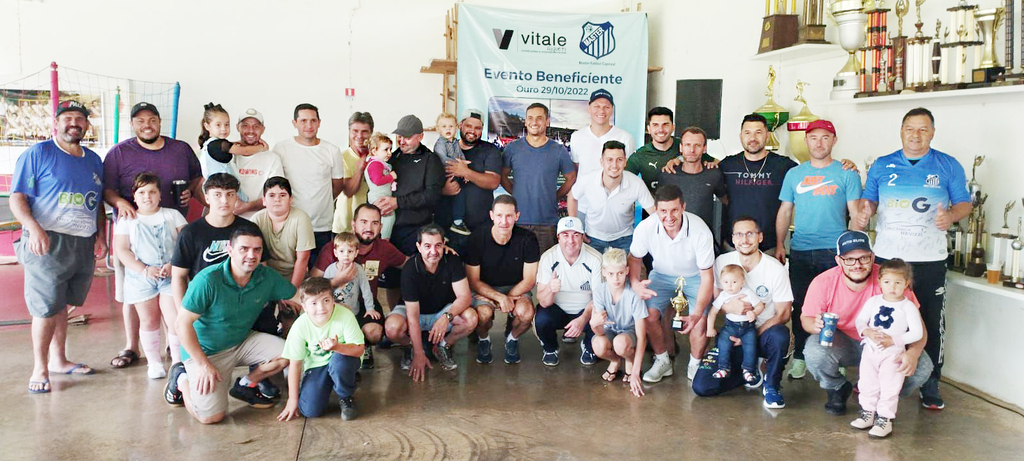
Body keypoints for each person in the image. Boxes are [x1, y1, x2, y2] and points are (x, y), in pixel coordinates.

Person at [856, 107, 972, 410]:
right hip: (887, 258)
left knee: (930, 321)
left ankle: (930, 383)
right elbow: (869, 199)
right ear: (901, 131)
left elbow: (963, 204)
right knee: (881, 317)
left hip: (928, 259)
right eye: (910, 128)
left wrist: (951, 216)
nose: (916, 135)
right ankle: (870, 377)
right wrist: (866, 209)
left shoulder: (947, 165)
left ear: (932, 132)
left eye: (922, 129)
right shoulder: (882, 165)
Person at [13, 100, 106, 393]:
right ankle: (40, 369)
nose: (74, 123)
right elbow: (18, 198)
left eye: (80, 118)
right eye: (68, 118)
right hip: (47, 241)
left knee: (63, 303)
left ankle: (59, 360)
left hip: (82, 242)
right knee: (44, 307)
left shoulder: (93, 159)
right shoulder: (39, 153)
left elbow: (98, 202)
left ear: (87, 125)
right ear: (56, 123)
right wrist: (33, 229)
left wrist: (101, 236)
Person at [103, 101, 202, 369]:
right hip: (135, 235)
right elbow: (107, 188)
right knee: (133, 296)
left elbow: (196, 178)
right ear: (133, 124)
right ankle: (131, 345)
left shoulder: (180, 149)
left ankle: (175, 347)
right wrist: (119, 203)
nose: (147, 125)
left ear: (160, 122)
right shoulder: (119, 153)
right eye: (140, 121)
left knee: (174, 301)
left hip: (171, 236)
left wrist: (189, 191)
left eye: (152, 120)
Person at [165, 228, 297, 424]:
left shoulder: (266, 276)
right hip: (206, 351)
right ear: (230, 250)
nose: (251, 255)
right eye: (244, 249)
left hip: (242, 341)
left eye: (257, 250)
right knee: (210, 417)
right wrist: (202, 364)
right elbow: (181, 324)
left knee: (291, 352)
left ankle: (246, 383)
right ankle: (181, 379)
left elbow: (300, 296)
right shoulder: (208, 280)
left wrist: (335, 304)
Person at [800, 230, 934, 416]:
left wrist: (913, 353)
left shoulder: (889, 279)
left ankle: (881, 398)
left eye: (863, 258)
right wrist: (813, 325)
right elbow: (806, 318)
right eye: (850, 259)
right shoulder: (823, 282)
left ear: (872, 257)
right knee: (815, 352)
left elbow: (919, 328)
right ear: (839, 261)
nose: (857, 265)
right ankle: (837, 388)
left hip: (887, 345)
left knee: (922, 368)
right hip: (843, 341)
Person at [775, 119, 862, 380]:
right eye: (813, 138)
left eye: (825, 137)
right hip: (801, 249)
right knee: (803, 307)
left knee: (840, 306)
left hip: (835, 251)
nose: (819, 143)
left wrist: (855, 252)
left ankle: (839, 357)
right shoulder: (794, 174)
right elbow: (785, 211)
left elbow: (855, 213)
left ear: (834, 141)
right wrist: (780, 244)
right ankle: (801, 355)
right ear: (807, 141)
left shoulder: (847, 173)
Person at [691, 217, 793, 409]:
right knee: (702, 386)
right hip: (732, 332)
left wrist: (751, 335)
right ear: (733, 238)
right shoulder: (721, 262)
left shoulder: (776, 269)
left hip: (762, 333)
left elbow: (783, 314)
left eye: (750, 234)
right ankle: (746, 371)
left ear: (760, 237)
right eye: (739, 234)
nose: (744, 239)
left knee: (781, 335)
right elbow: (717, 300)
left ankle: (771, 385)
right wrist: (730, 309)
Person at [628, 184, 715, 384]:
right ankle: (662, 360)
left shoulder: (701, 230)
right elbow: (634, 258)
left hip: (695, 277)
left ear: (683, 207)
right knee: (648, 316)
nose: (669, 217)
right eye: (663, 211)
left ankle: (695, 363)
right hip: (661, 275)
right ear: (656, 210)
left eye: (674, 210)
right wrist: (635, 284)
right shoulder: (646, 227)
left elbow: (707, 277)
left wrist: (696, 313)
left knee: (700, 321)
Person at [111, 172, 187, 379]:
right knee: (148, 320)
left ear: (160, 195)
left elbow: (186, 243)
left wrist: (174, 264)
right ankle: (153, 363)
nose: (147, 196)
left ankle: (179, 362)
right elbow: (122, 250)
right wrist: (144, 269)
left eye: (152, 192)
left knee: (174, 319)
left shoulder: (172, 215)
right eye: (142, 192)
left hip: (170, 275)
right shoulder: (127, 220)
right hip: (141, 277)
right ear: (134, 196)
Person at [314, 204, 407, 370]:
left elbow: (409, 263)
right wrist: (336, 281)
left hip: (365, 301)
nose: (369, 228)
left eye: (374, 223)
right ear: (353, 224)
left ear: (381, 227)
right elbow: (311, 284)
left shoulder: (384, 248)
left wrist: (437, 252)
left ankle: (365, 345)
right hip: (335, 303)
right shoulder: (334, 248)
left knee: (375, 332)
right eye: (363, 222)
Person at [384, 225, 478, 380]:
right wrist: (419, 355)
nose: (433, 251)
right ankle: (411, 347)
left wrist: (446, 317)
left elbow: (465, 297)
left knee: (471, 318)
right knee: (392, 329)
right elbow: (413, 317)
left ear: (444, 245)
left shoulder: (452, 260)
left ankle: (442, 346)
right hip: (414, 313)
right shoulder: (410, 269)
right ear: (418, 247)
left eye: (438, 245)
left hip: (441, 311)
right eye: (427, 246)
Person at [849, 259, 923, 438]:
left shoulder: (908, 306)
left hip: (893, 354)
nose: (892, 287)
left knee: (889, 386)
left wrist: (895, 340)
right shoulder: (873, 301)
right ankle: (868, 413)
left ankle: (885, 419)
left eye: (898, 283)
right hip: (870, 351)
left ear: (906, 283)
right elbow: (860, 321)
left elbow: (917, 333)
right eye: (887, 282)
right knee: (867, 383)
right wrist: (867, 331)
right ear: (880, 281)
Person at [464, 195, 540, 365]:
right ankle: (484, 340)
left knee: (527, 313)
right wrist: (499, 298)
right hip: (486, 287)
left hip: (517, 287)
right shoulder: (477, 237)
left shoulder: (528, 239)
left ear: (517, 216)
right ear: (491, 215)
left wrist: (508, 298)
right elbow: (473, 280)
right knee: (482, 315)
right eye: (499, 216)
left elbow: (529, 280)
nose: (504, 221)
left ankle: (512, 338)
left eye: (509, 216)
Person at [277, 277, 364, 422]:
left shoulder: (345, 316)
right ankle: (331, 382)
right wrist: (292, 399)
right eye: (313, 303)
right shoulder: (299, 326)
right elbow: (295, 364)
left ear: (333, 300)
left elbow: (359, 350)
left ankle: (345, 396)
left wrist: (337, 347)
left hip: (342, 359)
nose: (321, 308)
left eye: (326, 300)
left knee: (339, 363)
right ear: (304, 306)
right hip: (317, 365)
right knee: (310, 410)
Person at [501, 102, 577, 252]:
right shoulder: (512, 148)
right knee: (517, 271)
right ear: (525, 120)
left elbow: (571, 177)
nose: (534, 122)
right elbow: (502, 176)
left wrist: (554, 196)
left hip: (547, 222)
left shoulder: (558, 150)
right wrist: (516, 193)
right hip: (517, 220)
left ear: (547, 121)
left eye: (539, 118)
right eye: (530, 118)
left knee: (545, 270)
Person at [273, 103, 346, 259]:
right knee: (290, 271)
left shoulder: (332, 150)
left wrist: (321, 202)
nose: (309, 125)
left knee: (318, 275)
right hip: (290, 223)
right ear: (295, 123)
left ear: (319, 122)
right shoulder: (281, 149)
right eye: (303, 121)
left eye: (313, 120)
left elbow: (337, 186)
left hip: (322, 226)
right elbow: (277, 187)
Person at [717, 114, 797, 253]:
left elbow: (812, 171)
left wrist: (847, 165)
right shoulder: (727, 165)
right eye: (747, 133)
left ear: (767, 135)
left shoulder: (783, 165)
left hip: (770, 247)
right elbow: (699, 164)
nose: (752, 138)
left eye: (758, 132)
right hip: (733, 246)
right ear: (741, 136)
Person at [535, 216, 603, 366]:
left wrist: (582, 319)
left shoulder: (595, 259)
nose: (570, 240)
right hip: (558, 310)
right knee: (541, 319)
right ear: (558, 237)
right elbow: (544, 302)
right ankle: (551, 348)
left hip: (585, 311)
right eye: (565, 235)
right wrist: (550, 289)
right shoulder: (548, 258)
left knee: (602, 314)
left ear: (583, 236)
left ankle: (588, 345)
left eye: (576, 235)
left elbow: (599, 299)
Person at [567, 140, 654, 254]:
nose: (614, 165)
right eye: (609, 160)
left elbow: (653, 211)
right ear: (601, 162)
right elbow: (572, 197)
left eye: (619, 160)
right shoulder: (587, 179)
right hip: (593, 238)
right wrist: (575, 228)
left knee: (622, 272)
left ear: (625, 162)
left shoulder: (636, 183)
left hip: (624, 239)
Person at [380, 114, 445, 256]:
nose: (401, 141)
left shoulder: (430, 160)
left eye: (407, 137)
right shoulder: (392, 158)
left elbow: (431, 196)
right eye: (399, 136)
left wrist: (398, 202)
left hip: (416, 231)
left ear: (420, 137)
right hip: (388, 230)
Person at [589, 248, 647, 398]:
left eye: (620, 273)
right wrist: (593, 324)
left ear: (627, 270)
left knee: (620, 343)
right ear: (603, 272)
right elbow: (600, 332)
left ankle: (629, 359)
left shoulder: (634, 294)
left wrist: (635, 372)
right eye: (611, 274)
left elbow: (642, 337)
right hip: (610, 330)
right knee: (598, 345)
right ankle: (615, 360)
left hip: (628, 333)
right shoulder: (600, 291)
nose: (616, 279)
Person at [440, 108, 503, 245]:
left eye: (477, 128)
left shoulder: (490, 150)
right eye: (468, 126)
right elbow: (430, 182)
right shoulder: (446, 148)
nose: (472, 131)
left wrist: (465, 172)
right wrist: (443, 190)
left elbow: (493, 182)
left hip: (480, 227)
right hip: (447, 228)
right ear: (460, 126)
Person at [656, 126, 728, 229]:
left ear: (704, 148)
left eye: (697, 145)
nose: (692, 150)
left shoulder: (713, 174)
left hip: (703, 236)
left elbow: (725, 200)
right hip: (673, 236)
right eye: (687, 145)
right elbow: (659, 207)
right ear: (681, 147)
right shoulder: (667, 174)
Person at [196, 103, 268, 206]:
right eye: (218, 125)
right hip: (223, 187)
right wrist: (261, 147)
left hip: (219, 187)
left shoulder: (211, 144)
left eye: (227, 124)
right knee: (241, 203)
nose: (223, 129)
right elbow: (245, 151)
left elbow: (230, 146)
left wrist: (237, 142)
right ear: (207, 126)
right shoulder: (217, 145)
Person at [250, 176, 315, 288]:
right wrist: (266, 287)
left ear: (291, 199)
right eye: (271, 195)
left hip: (294, 277)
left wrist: (291, 292)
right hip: (264, 276)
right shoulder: (256, 220)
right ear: (264, 200)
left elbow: (303, 258)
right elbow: (256, 257)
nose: (277, 199)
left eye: (282, 195)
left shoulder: (301, 219)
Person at [706, 264, 763, 383]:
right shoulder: (723, 296)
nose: (730, 286)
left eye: (734, 282)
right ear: (721, 282)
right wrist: (710, 328)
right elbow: (713, 312)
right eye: (726, 282)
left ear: (742, 282)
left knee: (750, 347)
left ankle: (748, 370)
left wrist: (755, 313)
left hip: (748, 328)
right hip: (730, 327)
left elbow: (759, 305)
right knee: (723, 344)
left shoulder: (747, 293)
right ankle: (723, 368)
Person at [317, 233, 378, 341]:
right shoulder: (330, 269)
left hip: (353, 312)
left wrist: (370, 308)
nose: (346, 255)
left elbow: (366, 289)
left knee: (352, 334)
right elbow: (323, 291)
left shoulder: (358, 270)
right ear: (335, 252)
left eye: (350, 251)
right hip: (334, 311)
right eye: (342, 251)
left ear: (356, 253)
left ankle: (363, 347)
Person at [569, 89, 635, 179]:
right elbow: (576, 168)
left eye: (606, 107)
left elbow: (628, 172)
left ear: (612, 109)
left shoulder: (625, 138)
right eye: (597, 106)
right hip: (584, 192)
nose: (601, 111)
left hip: (615, 192)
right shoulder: (576, 137)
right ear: (589, 108)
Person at [332, 112, 374, 235]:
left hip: (371, 227)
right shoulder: (341, 157)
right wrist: (360, 170)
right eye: (355, 131)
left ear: (371, 133)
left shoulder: (378, 157)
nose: (359, 136)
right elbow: (349, 191)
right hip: (345, 227)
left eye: (365, 131)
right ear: (349, 132)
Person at [432, 112, 470, 236]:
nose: (448, 129)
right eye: (444, 126)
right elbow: (444, 159)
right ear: (438, 129)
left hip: (455, 174)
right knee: (443, 202)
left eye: (451, 126)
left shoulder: (455, 143)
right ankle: (440, 228)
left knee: (460, 195)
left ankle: (457, 221)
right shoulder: (440, 144)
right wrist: (460, 164)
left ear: (457, 127)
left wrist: (465, 169)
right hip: (444, 175)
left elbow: (461, 156)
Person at [363, 132, 397, 239]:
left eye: (390, 149)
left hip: (382, 196)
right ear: (374, 151)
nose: (389, 153)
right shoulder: (375, 164)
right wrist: (391, 177)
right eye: (386, 149)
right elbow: (377, 180)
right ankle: (384, 241)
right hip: (378, 198)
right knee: (389, 217)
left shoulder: (381, 164)